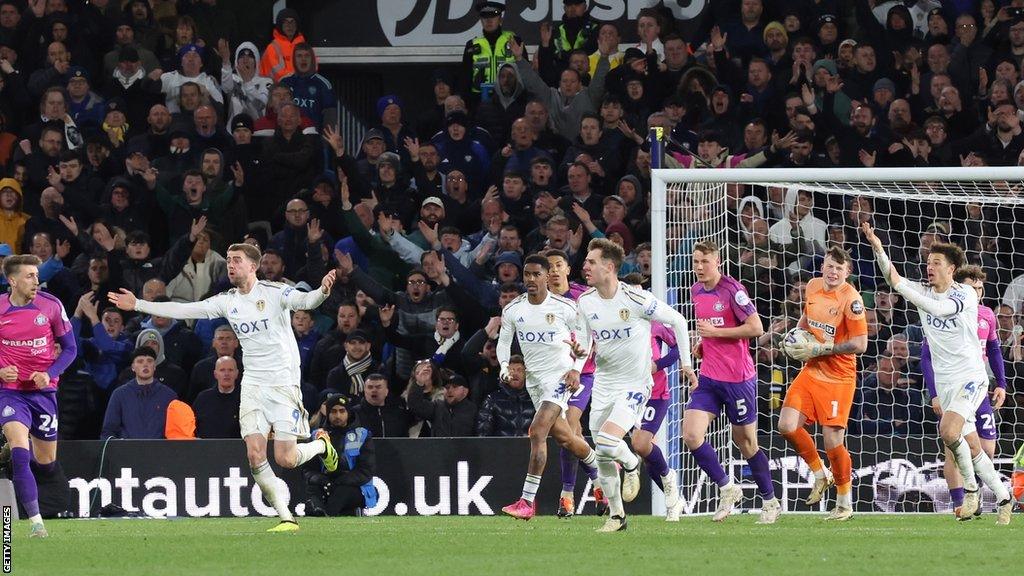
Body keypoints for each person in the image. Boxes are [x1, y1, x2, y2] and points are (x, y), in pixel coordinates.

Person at [107, 243, 340, 532]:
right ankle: (286, 517)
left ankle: (320, 445)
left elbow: (307, 301)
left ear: (252, 266)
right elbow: (184, 308)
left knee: (286, 458)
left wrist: (324, 291)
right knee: (255, 455)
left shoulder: (275, 292)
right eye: (228, 260)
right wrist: (139, 305)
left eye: (237, 260)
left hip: (282, 383)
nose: (230, 265)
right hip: (253, 384)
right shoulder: (227, 301)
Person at [864, 225, 1012, 525]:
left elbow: (940, 309)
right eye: (928, 263)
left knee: (948, 431)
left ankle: (971, 490)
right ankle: (1003, 496)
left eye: (936, 264)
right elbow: (893, 278)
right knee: (970, 446)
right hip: (945, 383)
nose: (929, 267)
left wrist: (907, 291)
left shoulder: (966, 294)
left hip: (971, 377)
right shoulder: (924, 289)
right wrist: (878, 247)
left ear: (951, 269)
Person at [575, 238, 694, 532]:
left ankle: (631, 464)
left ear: (610, 267)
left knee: (606, 442)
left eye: (591, 262)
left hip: (635, 384)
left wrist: (687, 364)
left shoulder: (635, 300)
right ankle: (617, 516)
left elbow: (678, 321)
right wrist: (577, 360)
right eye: (587, 261)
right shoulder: (585, 302)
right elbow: (583, 342)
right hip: (603, 384)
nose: (585, 266)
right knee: (602, 454)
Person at [683, 243, 780, 523]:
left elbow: (756, 328)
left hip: (738, 379)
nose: (699, 267)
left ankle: (770, 501)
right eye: (696, 262)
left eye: (705, 262)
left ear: (718, 262)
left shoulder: (732, 290)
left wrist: (716, 332)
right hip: (710, 377)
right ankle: (727, 488)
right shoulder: (696, 290)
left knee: (746, 442)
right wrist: (703, 343)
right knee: (691, 435)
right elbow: (709, 330)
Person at [497, 255, 599, 520]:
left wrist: (577, 366)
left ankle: (527, 502)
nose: (531, 279)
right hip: (535, 382)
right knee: (565, 438)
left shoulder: (565, 307)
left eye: (536, 274)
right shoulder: (513, 310)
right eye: (527, 274)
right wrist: (504, 365)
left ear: (546, 277)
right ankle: (601, 475)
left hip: (560, 377)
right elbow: (503, 342)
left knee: (537, 430)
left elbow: (586, 336)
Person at [777, 246, 867, 522]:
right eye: (829, 266)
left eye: (839, 268)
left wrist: (821, 349)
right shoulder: (813, 286)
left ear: (847, 273)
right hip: (811, 370)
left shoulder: (852, 300)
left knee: (832, 441)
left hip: (839, 376)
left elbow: (860, 345)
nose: (833, 271)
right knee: (787, 426)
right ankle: (820, 474)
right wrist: (797, 335)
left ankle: (844, 503)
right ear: (822, 267)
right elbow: (807, 317)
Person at [0, 254, 77, 538]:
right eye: (30, 276)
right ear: (12, 280)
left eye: (37, 275)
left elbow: (70, 349)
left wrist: (50, 373)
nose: (36, 280)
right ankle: (36, 523)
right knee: (20, 454)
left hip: (44, 392)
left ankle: (26, 465)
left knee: (45, 461)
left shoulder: (51, 305)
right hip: (11, 393)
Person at [923, 265, 1007, 520]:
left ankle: (980, 492)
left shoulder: (986, 315)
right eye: (972, 288)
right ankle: (963, 504)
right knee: (953, 445)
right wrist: (934, 393)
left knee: (986, 448)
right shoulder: (944, 313)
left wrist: (1001, 383)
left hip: (976, 386)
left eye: (980, 288)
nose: (977, 293)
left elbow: (993, 350)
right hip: (952, 387)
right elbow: (926, 357)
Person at [618, 273, 684, 520]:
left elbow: (678, 347)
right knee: (644, 453)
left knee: (640, 444)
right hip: (627, 392)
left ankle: (669, 478)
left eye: (639, 293)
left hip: (655, 393)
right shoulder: (618, 323)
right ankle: (674, 499)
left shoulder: (656, 321)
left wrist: (659, 364)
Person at [303, 395, 377, 516]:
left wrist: (338, 482)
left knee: (341, 493)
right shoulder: (317, 435)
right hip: (326, 484)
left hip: (354, 487)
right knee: (312, 491)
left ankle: (326, 516)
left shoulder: (362, 435)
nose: (338, 416)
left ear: (348, 412)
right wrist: (323, 481)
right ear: (327, 413)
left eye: (342, 411)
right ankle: (317, 512)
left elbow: (366, 471)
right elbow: (308, 470)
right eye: (333, 411)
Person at [101, 347, 178, 440]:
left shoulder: (169, 396)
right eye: (140, 361)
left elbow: (176, 432)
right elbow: (108, 431)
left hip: (159, 452)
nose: (145, 365)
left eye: (149, 361)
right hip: (128, 452)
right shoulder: (119, 395)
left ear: (155, 366)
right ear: (133, 367)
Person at [193, 355, 242, 439]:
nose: (226, 374)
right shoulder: (203, 399)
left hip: (237, 449)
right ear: (215, 374)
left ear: (236, 373)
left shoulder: (244, 398)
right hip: (206, 449)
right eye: (222, 370)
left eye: (230, 370)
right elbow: (193, 426)